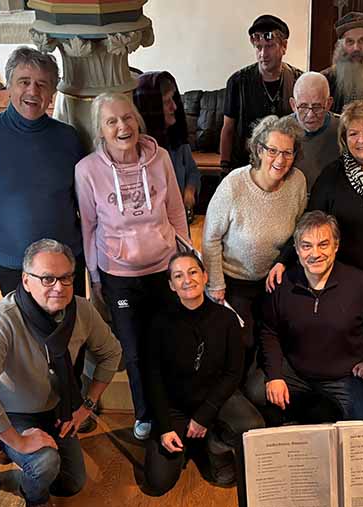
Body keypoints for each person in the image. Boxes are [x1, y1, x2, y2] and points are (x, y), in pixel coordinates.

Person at [0, 239, 122, 507]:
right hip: (17, 412)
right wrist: (18, 439)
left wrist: (86, 406)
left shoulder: (82, 310)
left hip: (61, 407)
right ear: (26, 279)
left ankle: (15, 456)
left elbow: (111, 353)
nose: (59, 286)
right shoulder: (4, 317)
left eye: (66, 277)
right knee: (44, 464)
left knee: (73, 483)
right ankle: (35, 500)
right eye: (47, 278)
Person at [75, 93, 189, 441]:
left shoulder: (162, 159)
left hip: (163, 266)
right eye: (112, 121)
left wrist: (186, 259)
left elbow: (175, 211)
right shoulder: (87, 171)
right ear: (100, 131)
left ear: (138, 120)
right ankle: (144, 413)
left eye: (127, 118)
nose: (122, 126)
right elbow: (89, 227)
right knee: (134, 347)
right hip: (119, 274)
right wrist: (94, 275)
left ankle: (172, 406)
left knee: (168, 339)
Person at [0, 47, 87, 297]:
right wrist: (0, 245)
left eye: (42, 84)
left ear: (52, 93)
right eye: (24, 82)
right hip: (14, 264)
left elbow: (84, 198)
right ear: (9, 86)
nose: (33, 91)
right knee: (24, 333)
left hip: (66, 262)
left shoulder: (68, 138)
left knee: (72, 331)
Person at [141, 251, 265, 496]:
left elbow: (233, 373)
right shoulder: (159, 323)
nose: (187, 280)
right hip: (176, 405)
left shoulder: (227, 319)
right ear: (171, 285)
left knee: (253, 427)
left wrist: (203, 416)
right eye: (178, 276)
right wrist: (165, 427)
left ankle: (214, 444)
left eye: (193, 272)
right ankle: (190, 443)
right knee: (157, 483)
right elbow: (152, 377)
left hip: (216, 399)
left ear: (205, 276)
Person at [268, 100, 363, 289]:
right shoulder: (331, 175)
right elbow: (309, 222)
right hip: (346, 283)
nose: (362, 140)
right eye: (353, 133)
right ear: (344, 138)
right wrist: (283, 260)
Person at [256, 211, 363, 424]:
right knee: (257, 391)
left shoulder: (362, 284)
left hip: (347, 376)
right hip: (297, 373)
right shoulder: (282, 284)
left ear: (336, 246)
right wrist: (275, 376)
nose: (315, 253)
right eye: (306, 246)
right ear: (297, 251)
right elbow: (269, 331)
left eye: (323, 244)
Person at [202, 114, 307, 374]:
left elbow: (298, 231)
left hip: (275, 279)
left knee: (283, 336)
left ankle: (266, 391)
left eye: (287, 152)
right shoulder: (234, 185)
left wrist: (284, 263)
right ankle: (232, 397)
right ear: (259, 149)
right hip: (235, 280)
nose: (280, 160)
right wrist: (215, 284)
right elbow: (210, 237)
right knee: (242, 342)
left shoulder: (297, 183)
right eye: (273, 150)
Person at [220, 15, 303, 171]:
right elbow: (228, 129)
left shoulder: (299, 81)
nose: (263, 54)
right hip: (245, 166)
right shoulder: (237, 81)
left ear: (284, 46)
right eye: (259, 47)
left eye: (270, 46)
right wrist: (224, 167)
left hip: (283, 167)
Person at [133, 71, 202, 225]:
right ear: (151, 107)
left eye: (173, 98)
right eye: (166, 101)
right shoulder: (136, 152)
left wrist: (190, 191)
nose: (174, 106)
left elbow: (192, 171)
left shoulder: (176, 137)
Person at [321, 12, 363, 114]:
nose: (356, 48)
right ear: (340, 46)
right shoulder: (325, 80)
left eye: (362, 40)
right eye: (350, 41)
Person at [290, 71, 341, 187]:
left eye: (317, 106)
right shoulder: (281, 131)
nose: (310, 115)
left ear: (328, 104)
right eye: (303, 107)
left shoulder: (345, 130)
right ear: (293, 105)